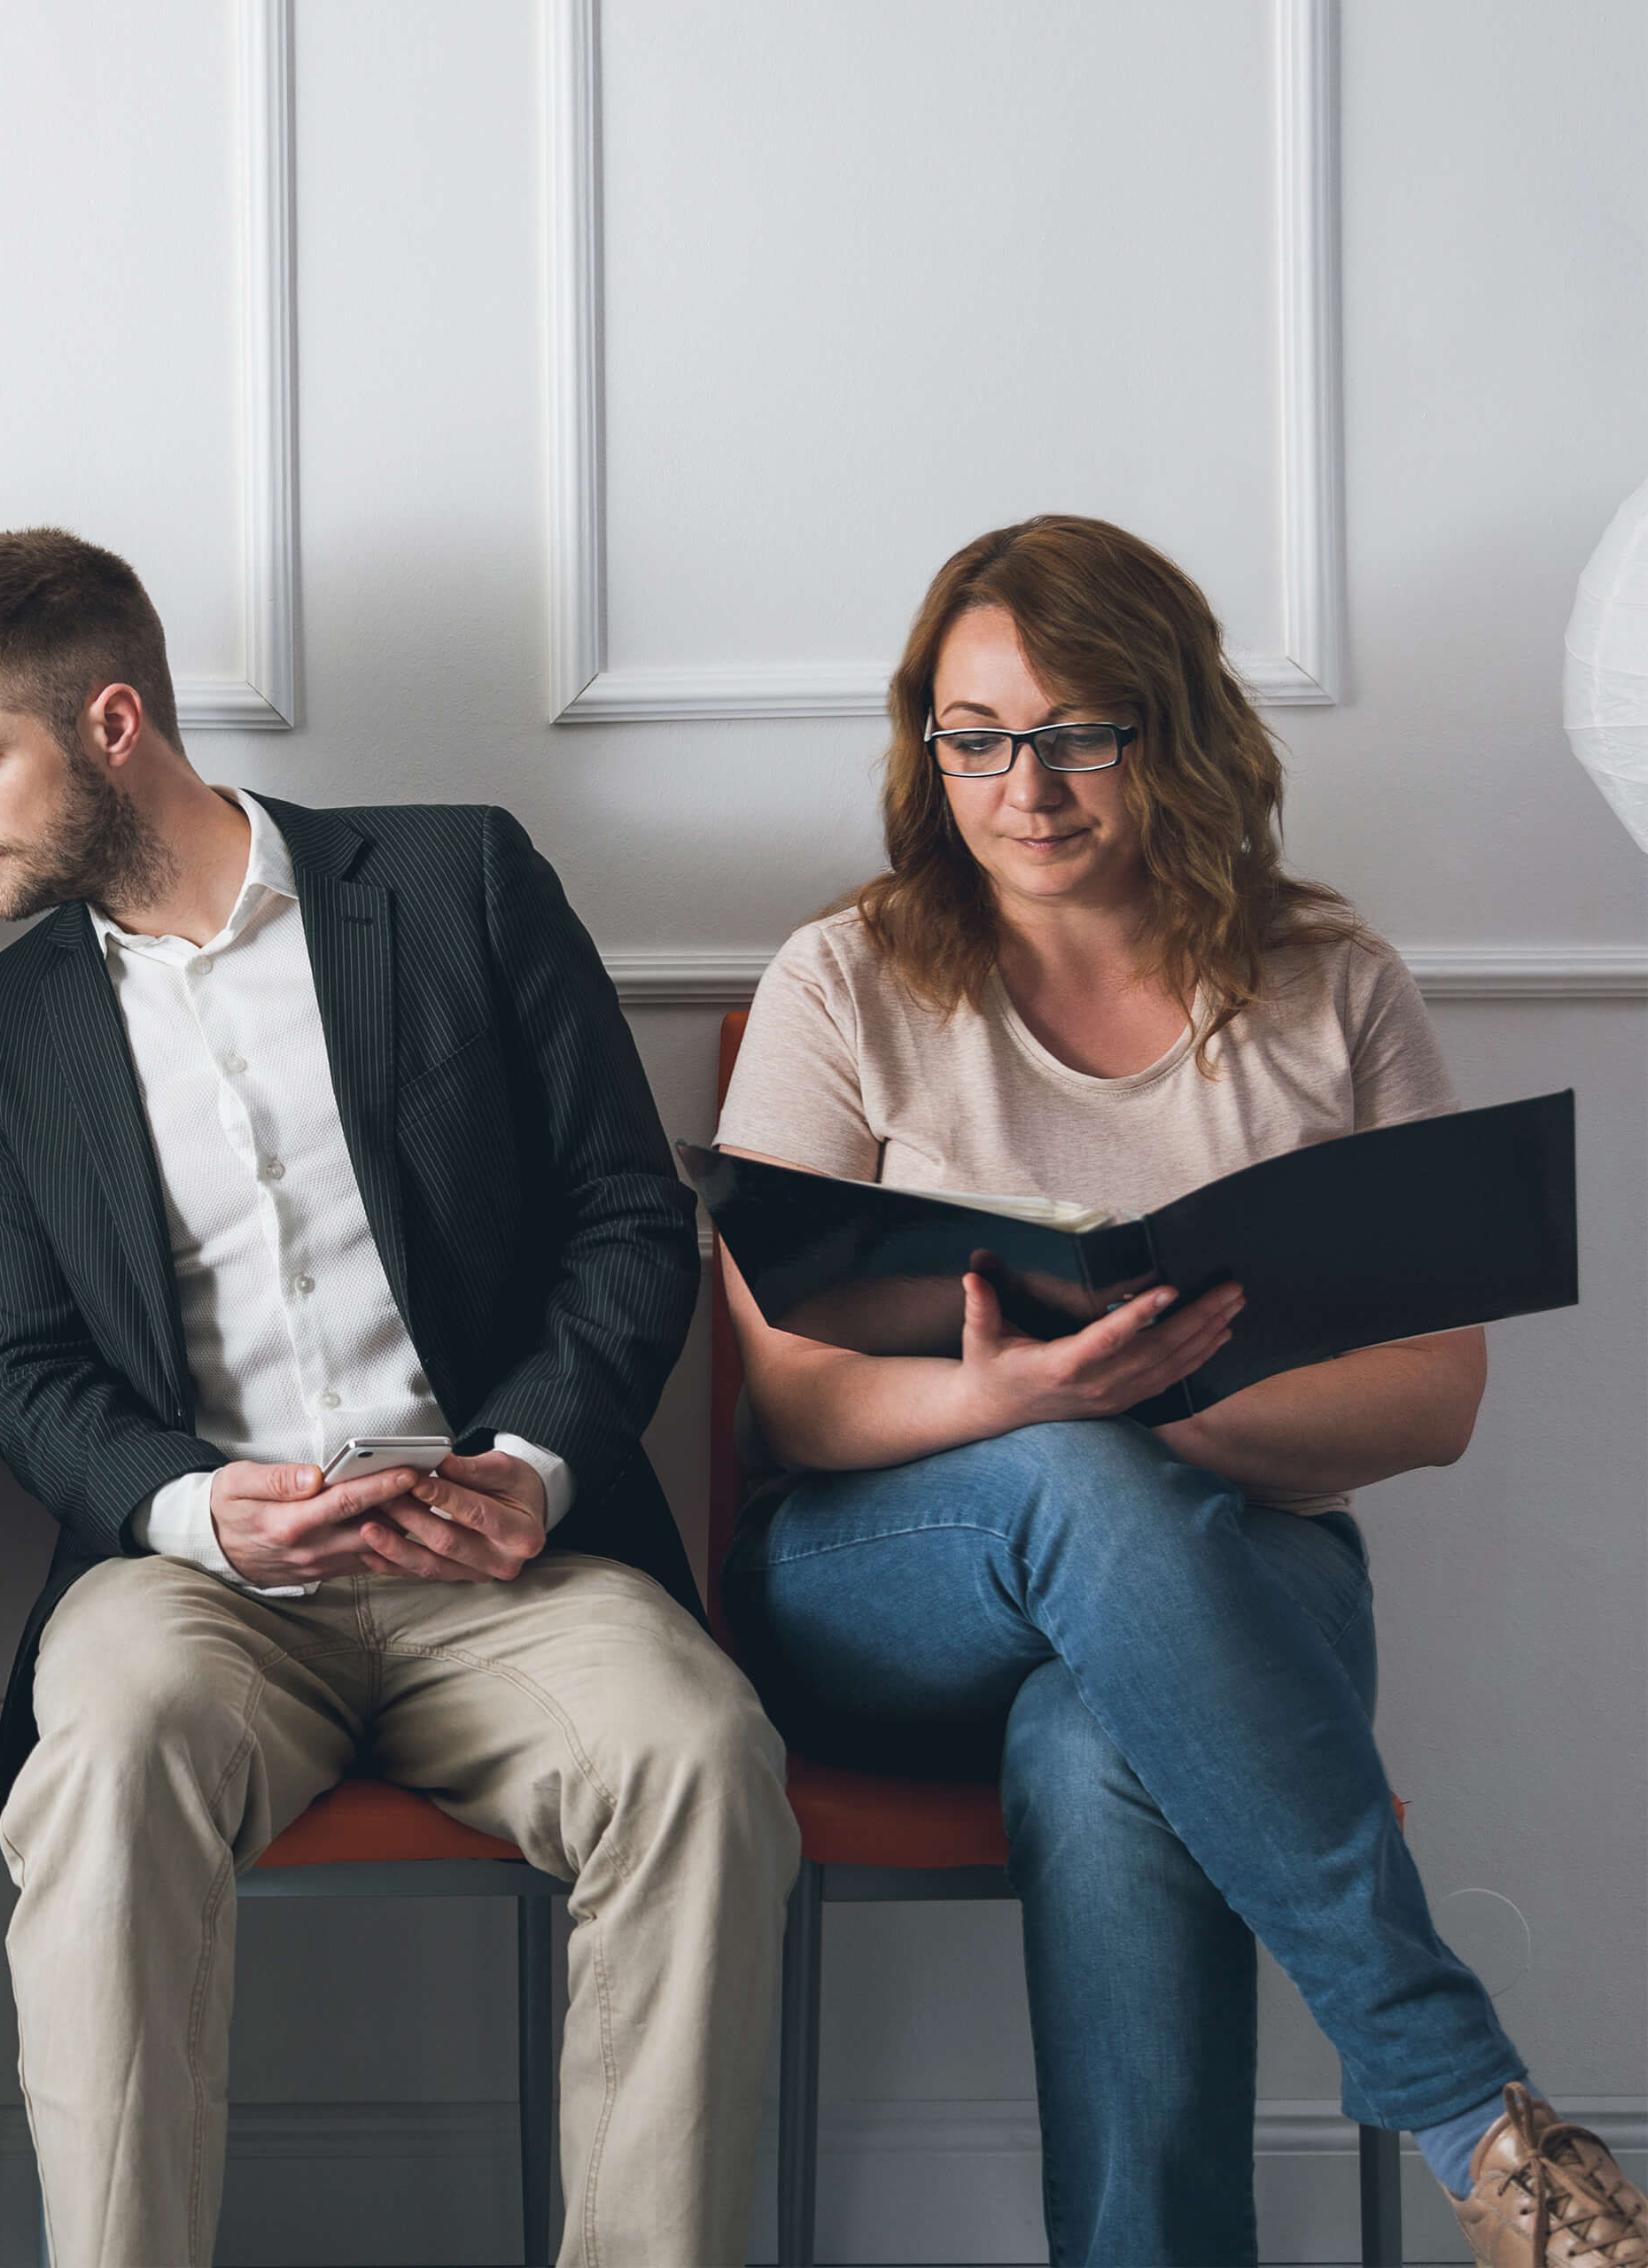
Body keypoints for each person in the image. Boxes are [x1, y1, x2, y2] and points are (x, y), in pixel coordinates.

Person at [0, 526, 799, 2266]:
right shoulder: (2, 1032)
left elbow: (621, 1219)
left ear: (112, 722)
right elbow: (33, 1370)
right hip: (197, 1588)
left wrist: (528, 1466)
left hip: (504, 1563)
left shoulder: (457, 886)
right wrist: (199, 1509)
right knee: (106, 1747)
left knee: (701, 1749)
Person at [714, 514, 1644, 2267]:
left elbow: (1437, 1393)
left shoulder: (1333, 987)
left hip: (1238, 1558)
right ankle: (1476, 2115)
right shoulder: (844, 980)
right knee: (1077, 1479)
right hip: (878, 1565)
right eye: (976, 734)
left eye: (1081, 732)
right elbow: (797, 1409)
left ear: (1178, 732)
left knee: (1099, 1735)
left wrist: (1157, 1406)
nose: (1025, 783)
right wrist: (1040, 1407)